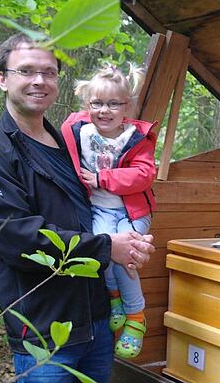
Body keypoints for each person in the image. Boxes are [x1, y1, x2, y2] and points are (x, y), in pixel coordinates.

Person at [0, 34, 155, 383]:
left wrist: (131, 235)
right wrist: (108, 247)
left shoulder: (69, 141)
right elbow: (16, 240)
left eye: (49, 72)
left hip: (97, 319)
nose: (39, 80)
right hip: (44, 331)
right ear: (2, 79)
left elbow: (105, 199)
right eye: (26, 70)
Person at [60, 63, 157, 359]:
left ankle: (137, 316)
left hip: (132, 213)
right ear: (86, 105)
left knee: (125, 256)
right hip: (100, 211)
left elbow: (144, 175)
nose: (105, 110)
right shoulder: (78, 130)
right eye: (97, 103)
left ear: (127, 107)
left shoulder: (136, 139)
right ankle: (114, 297)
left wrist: (103, 178)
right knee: (104, 249)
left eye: (114, 104)